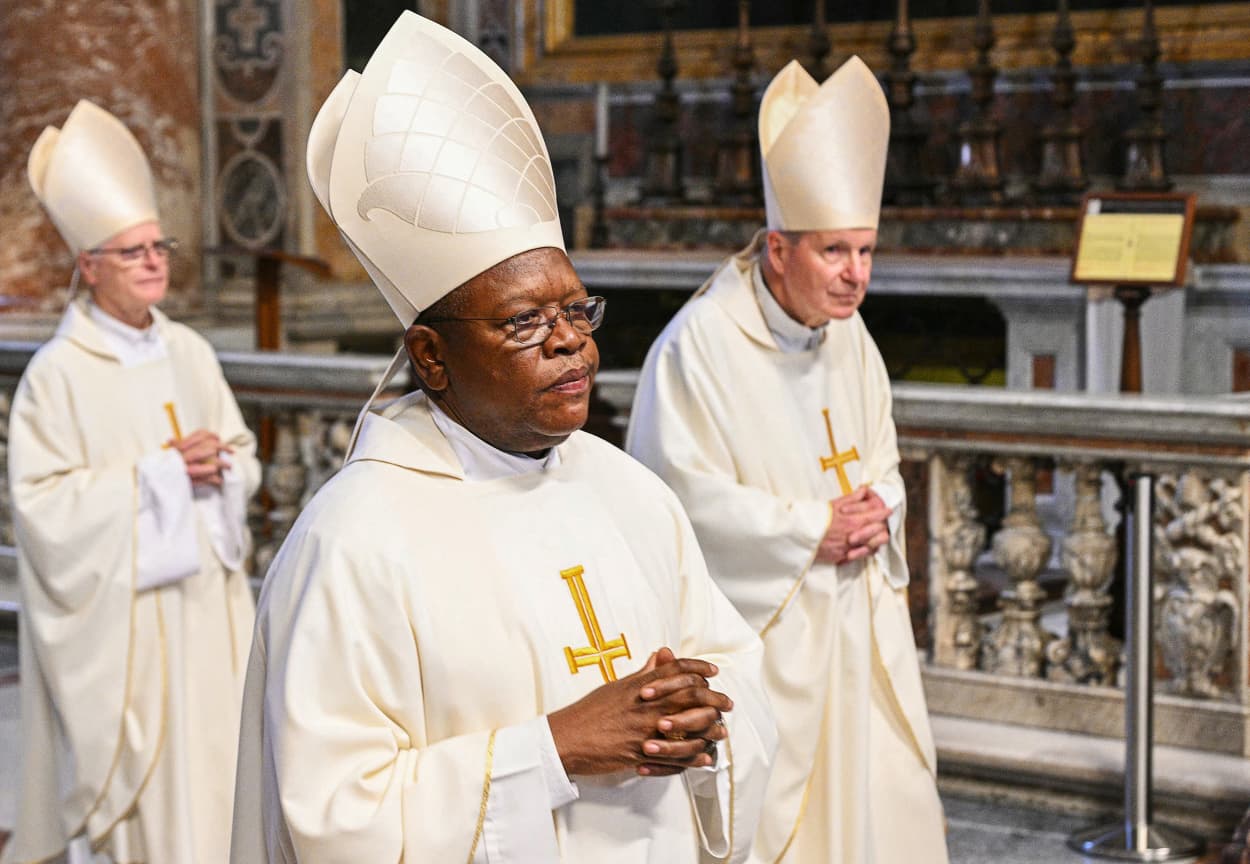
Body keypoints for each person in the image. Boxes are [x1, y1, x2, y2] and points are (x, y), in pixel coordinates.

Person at [229, 12, 775, 864]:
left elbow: (733, 663)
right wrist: (552, 753)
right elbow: (334, 813)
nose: (571, 343)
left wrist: (708, 710)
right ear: (432, 357)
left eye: (574, 310)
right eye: (524, 322)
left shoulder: (626, 491)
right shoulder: (356, 542)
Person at [627, 57, 948, 863]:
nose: (856, 277)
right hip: (775, 637)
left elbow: (881, 457)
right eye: (835, 251)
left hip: (854, 621)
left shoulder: (850, 336)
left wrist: (880, 505)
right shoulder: (698, 346)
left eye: (867, 252)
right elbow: (675, 500)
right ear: (777, 249)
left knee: (885, 803)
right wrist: (810, 530)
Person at [5, 100, 260, 864]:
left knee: (223, 790)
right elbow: (42, 509)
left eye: (160, 247)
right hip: (131, 638)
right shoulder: (56, 378)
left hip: (207, 619)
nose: (155, 261)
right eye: (133, 251)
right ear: (89, 268)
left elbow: (243, 455)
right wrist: (158, 477)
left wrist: (223, 470)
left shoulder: (190, 352)